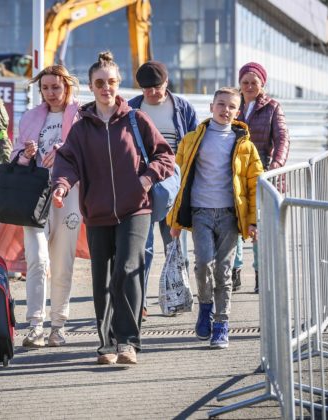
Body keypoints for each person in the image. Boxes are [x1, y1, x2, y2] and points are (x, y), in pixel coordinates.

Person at [52, 52, 174, 364]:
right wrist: (62, 186)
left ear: (118, 84)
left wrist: (146, 179)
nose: (106, 87)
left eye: (111, 82)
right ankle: (106, 344)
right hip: (97, 211)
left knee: (127, 270)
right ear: (91, 87)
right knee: (101, 277)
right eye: (100, 83)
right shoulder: (81, 128)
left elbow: (165, 156)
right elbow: (67, 161)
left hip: (136, 208)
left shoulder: (136, 119)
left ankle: (128, 342)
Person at [167, 87, 263, 349]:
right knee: (202, 265)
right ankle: (205, 307)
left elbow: (255, 185)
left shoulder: (245, 145)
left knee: (223, 271)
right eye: (221, 104)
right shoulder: (191, 140)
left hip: (231, 215)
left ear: (238, 112)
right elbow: (179, 179)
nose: (225, 110)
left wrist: (254, 220)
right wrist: (174, 220)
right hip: (200, 212)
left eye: (231, 106)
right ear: (211, 107)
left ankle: (221, 324)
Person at [12, 65, 82, 348]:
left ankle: (58, 325)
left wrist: (64, 150)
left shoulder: (80, 115)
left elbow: (87, 153)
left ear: (67, 87)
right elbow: (15, 156)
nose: (51, 93)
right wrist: (26, 155)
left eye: (56, 87)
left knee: (63, 263)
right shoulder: (30, 117)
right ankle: (35, 326)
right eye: (45, 88)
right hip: (35, 196)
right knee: (37, 260)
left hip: (69, 196)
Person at [128, 61, 198, 320]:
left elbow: (194, 144)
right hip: (142, 186)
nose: (152, 93)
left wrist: (191, 184)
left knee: (175, 244)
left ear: (166, 83)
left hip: (174, 185)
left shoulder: (181, 108)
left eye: (156, 88)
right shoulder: (132, 107)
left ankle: (177, 296)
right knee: (141, 247)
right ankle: (140, 302)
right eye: (146, 89)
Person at [232, 62, 290, 293]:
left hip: (263, 175)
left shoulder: (273, 107)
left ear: (262, 84)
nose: (248, 86)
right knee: (235, 223)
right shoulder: (233, 104)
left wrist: (275, 166)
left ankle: (260, 274)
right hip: (235, 175)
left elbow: (283, 138)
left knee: (259, 226)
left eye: (253, 82)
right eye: (244, 82)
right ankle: (234, 272)